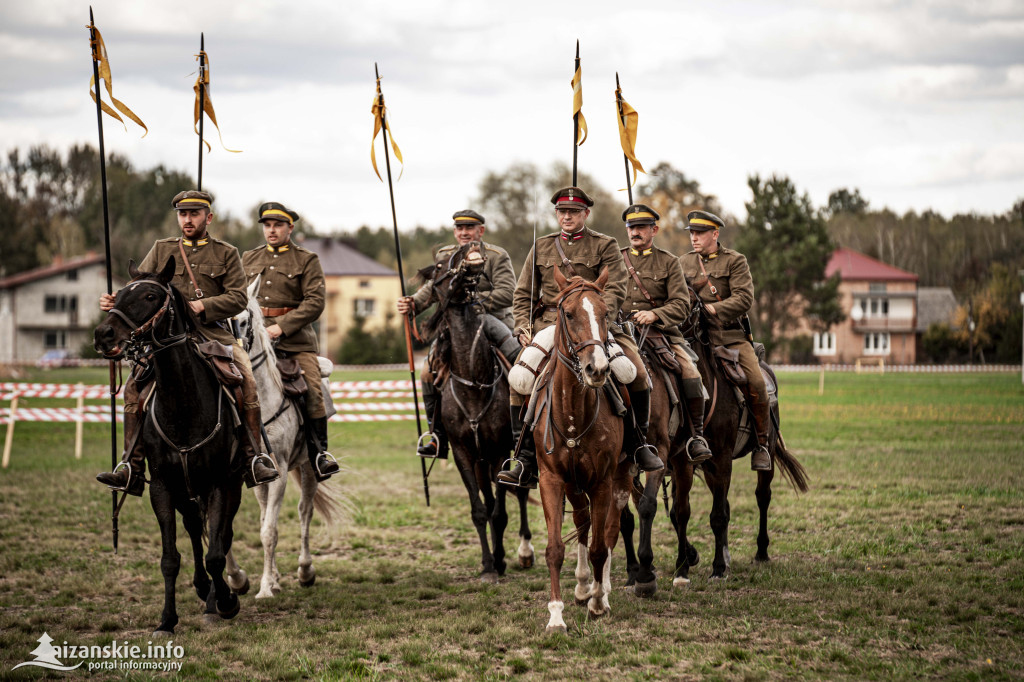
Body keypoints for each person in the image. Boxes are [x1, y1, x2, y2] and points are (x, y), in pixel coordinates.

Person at [96, 190, 280, 495]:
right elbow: (140, 285)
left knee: (246, 379)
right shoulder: (161, 248)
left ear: (208, 217)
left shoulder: (226, 252)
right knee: (132, 386)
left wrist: (202, 306)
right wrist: (115, 301)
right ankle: (131, 464)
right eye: (183, 214)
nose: (188, 220)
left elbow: (237, 297)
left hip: (213, 335)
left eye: (194, 214)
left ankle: (253, 457)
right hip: (167, 338)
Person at [498, 187, 664, 489]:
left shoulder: (606, 245)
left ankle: (639, 445)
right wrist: (524, 326)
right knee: (519, 377)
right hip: (551, 326)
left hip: (597, 325)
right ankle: (523, 457)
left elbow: (616, 289)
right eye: (562, 211)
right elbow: (523, 294)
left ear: (586, 213)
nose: (566, 216)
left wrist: (599, 320)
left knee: (635, 373)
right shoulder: (542, 246)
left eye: (573, 212)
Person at [396, 209, 516, 458]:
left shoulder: (496, 256)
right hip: (454, 325)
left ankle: (522, 437)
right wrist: (414, 303)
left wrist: (472, 302)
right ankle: (437, 437)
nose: (464, 233)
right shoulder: (445, 255)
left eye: (469, 228)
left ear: (480, 231)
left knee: (519, 364)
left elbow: (507, 293)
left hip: (490, 320)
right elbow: (432, 287)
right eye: (459, 229)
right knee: (427, 371)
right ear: (454, 231)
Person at [242, 202, 339, 481]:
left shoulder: (306, 260)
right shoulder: (249, 257)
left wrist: (280, 328)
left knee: (312, 387)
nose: (271, 230)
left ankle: (319, 453)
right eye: (267, 225)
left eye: (278, 225)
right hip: (251, 340)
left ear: (290, 228)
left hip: (295, 342)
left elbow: (315, 302)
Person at [618, 204, 712, 464]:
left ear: (654, 230)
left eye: (641, 227)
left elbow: (682, 304)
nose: (635, 232)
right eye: (631, 227)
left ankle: (696, 436)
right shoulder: (615, 259)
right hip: (619, 331)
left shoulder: (669, 262)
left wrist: (655, 314)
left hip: (661, 333)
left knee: (691, 371)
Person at [679, 209, 771, 471]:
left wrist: (714, 309)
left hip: (728, 337)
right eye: (692, 233)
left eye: (699, 233)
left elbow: (744, 298)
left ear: (715, 234)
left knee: (756, 380)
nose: (694, 238)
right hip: (691, 338)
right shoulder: (682, 262)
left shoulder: (735, 261)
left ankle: (762, 444)